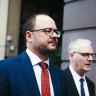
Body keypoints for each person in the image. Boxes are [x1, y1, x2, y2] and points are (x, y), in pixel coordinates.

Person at [0, 13, 68, 96]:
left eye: (56, 32)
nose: (54, 36)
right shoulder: (5, 69)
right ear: (29, 36)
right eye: (48, 31)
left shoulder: (61, 75)